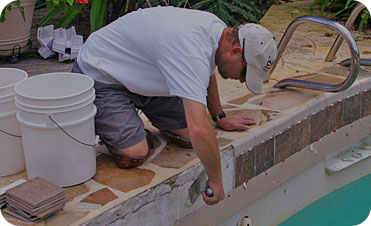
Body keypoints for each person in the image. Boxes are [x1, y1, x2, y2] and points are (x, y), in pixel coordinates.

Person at [72, 6, 277, 206]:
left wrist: (219, 116)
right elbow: (199, 128)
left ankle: (130, 116)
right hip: (103, 74)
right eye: (244, 73)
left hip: (146, 73)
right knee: (134, 153)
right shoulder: (190, 49)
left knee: (188, 138)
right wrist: (215, 181)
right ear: (235, 51)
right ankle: (111, 120)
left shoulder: (218, 32)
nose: (242, 81)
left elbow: (207, 71)